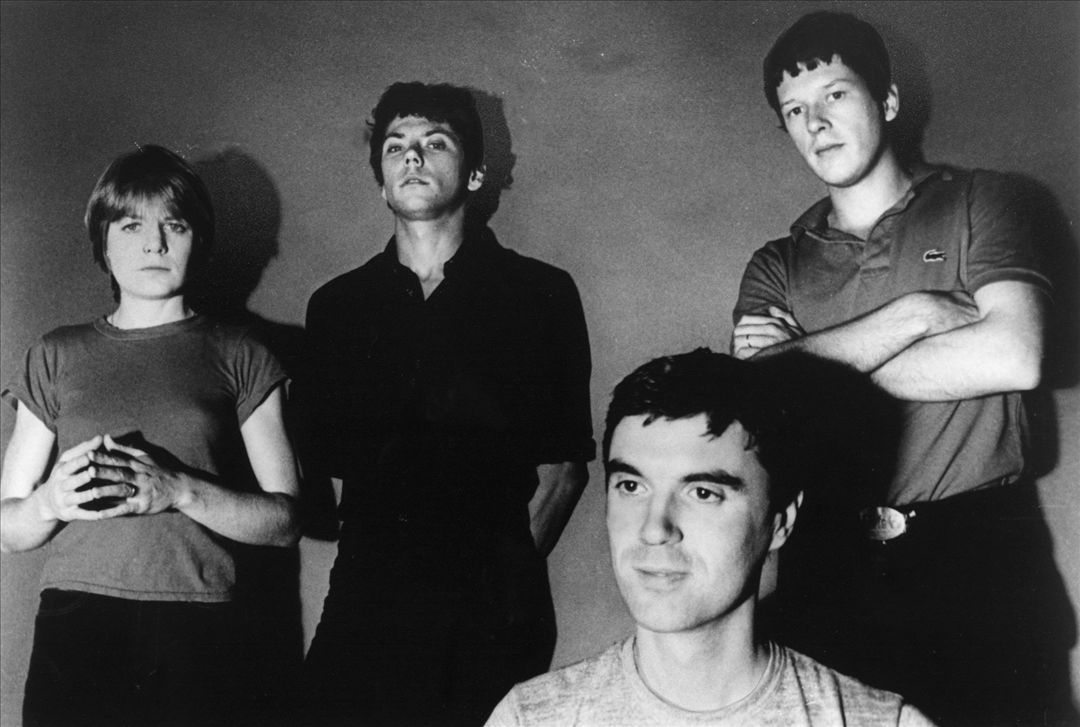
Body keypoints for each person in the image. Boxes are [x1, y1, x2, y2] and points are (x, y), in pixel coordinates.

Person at [732, 11, 1076, 726]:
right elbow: (757, 402)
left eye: (835, 95)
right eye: (794, 111)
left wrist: (816, 369)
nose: (815, 123)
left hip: (977, 554)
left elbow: (1015, 353)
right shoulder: (777, 264)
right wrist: (914, 313)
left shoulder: (985, 202)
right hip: (831, 565)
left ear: (887, 101)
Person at [298, 81, 595, 726]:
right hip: (366, 606)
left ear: (476, 170)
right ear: (379, 177)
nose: (412, 158)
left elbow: (565, 467)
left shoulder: (538, 294)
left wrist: (499, 578)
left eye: (435, 143)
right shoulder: (338, 308)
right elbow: (320, 474)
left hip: (492, 611)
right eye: (396, 146)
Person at [0, 145, 302, 727]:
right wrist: (50, 501)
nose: (154, 244)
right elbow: (9, 530)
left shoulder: (243, 353)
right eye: (132, 224)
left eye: (175, 224)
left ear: (198, 239)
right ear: (103, 241)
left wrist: (179, 490)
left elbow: (287, 521)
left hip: (200, 627)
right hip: (77, 624)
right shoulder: (56, 353)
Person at [486, 349, 934, 727]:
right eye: (631, 486)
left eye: (702, 492)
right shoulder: (528, 720)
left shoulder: (880, 723)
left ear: (780, 520)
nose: (654, 528)